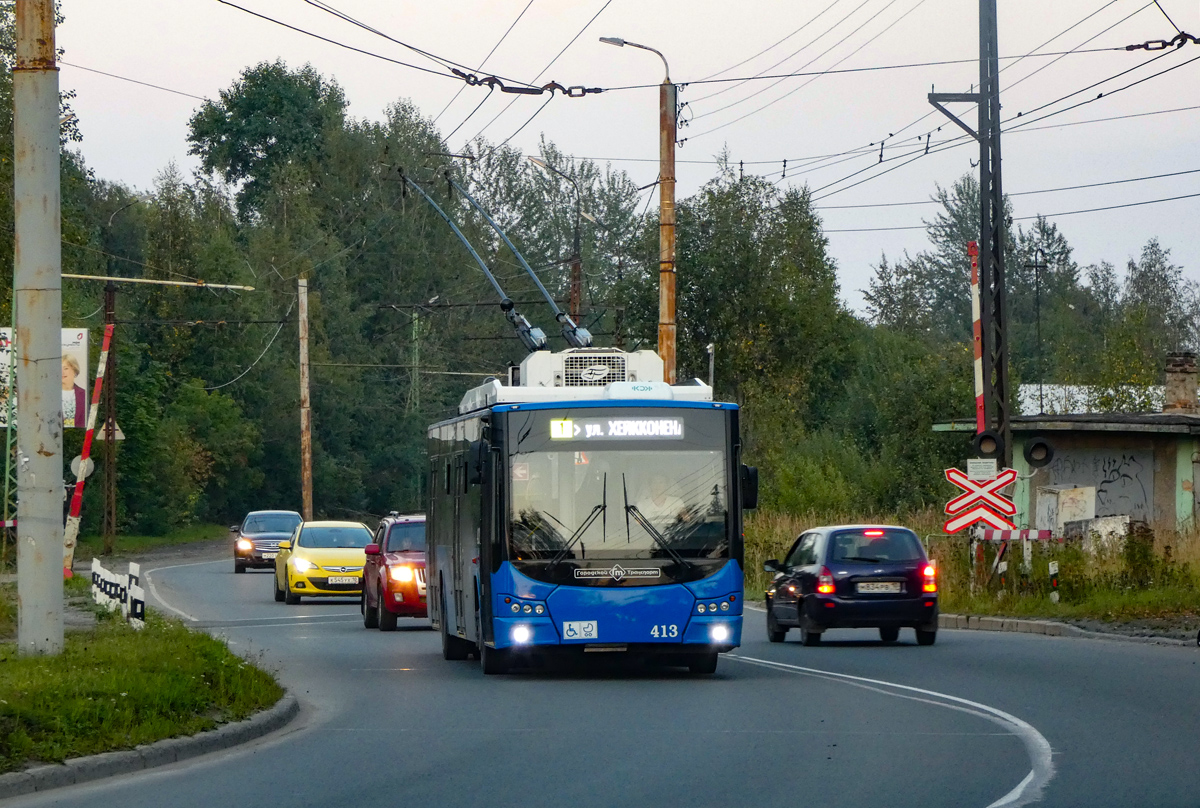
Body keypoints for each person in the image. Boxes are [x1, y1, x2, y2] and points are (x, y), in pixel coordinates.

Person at [61, 355, 86, 428]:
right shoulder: (50, 395)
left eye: (66, 368)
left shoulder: (84, 394)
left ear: (74, 370)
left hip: (78, 435)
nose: (62, 372)